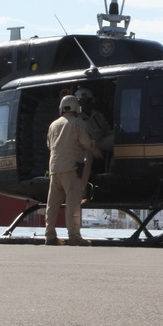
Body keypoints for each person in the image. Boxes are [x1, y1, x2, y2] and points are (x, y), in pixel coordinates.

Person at [45, 95, 103, 246]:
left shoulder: (53, 124)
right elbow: (85, 143)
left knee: (52, 204)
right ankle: (74, 236)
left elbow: (49, 145)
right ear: (77, 108)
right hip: (71, 169)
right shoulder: (78, 123)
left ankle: (50, 235)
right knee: (73, 203)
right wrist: (97, 151)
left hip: (54, 169)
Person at [75, 88, 113, 181]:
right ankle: (83, 183)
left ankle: (112, 172)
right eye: (82, 102)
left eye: (87, 101)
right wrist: (94, 150)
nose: (85, 105)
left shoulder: (98, 114)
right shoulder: (76, 119)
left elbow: (106, 129)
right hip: (86, 146)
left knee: (117, 141)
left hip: (100, 141)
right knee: (86, 158)